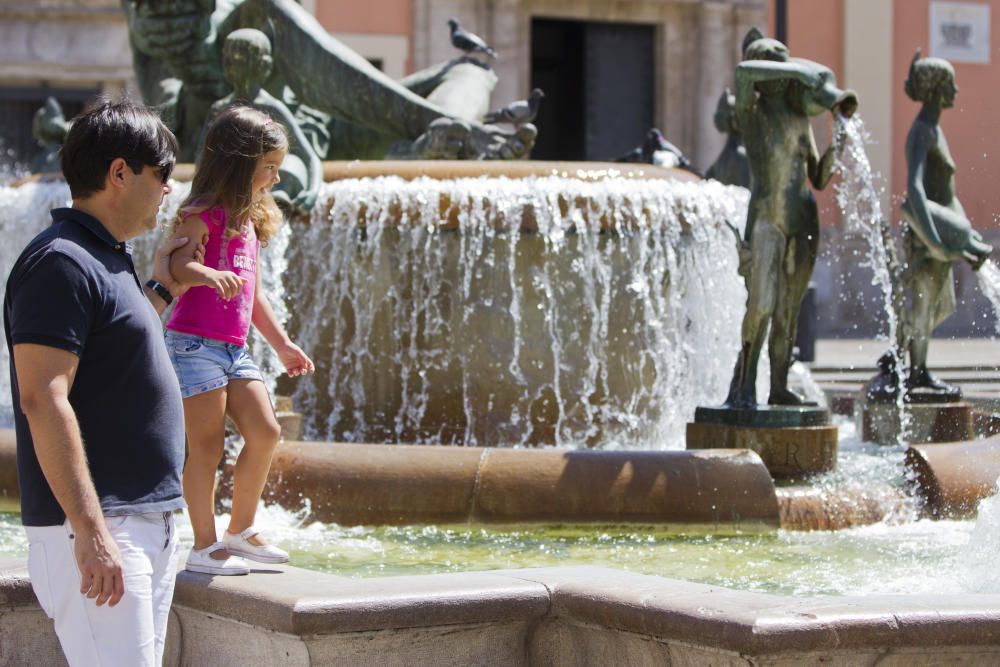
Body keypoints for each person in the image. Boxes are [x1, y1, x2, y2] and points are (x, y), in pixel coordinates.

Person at [4, 98, 202, 666]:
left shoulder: (103, 258)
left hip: (138, 523)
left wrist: (162, 289)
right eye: (162, 174)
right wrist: (90, 532)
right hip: (100, 529)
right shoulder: (61, 262)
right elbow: (43, 399)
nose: (169, 189)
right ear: (120, 172)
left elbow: (110, 355)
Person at [165, 105, 314, 575]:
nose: (273, 178)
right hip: (192, 345)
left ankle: (240, 530)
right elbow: (177, 267)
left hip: (234, 349)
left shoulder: (247, 221)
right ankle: (205, 546)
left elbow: (253, 295)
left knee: (266, 431)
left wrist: (283, 344)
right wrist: (206, 273)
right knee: (206, 447)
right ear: (237, 161)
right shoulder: (200, 214)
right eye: (267, 167)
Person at [724, 30, 857, 408]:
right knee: (762, 303)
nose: (783, 73)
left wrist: (840, 140)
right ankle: (744, 384)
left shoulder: (799, 118)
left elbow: (819, 176)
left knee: (787, 311)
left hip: (803, 219)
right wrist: (798, 73)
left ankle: (778, 386)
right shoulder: (751, 113)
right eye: (777, 65)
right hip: (767, 220)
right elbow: (745, 73)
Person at [896, 50, 993, 395]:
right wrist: (936, 238)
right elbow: (915, 190)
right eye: (950, 83)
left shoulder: (934, 129)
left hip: (944, 233)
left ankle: (902, 346)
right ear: (937, 89)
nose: (956, 91)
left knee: (944, 304)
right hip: (929, 235)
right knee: (925, 303)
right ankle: (916, 372)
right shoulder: (922, 130)